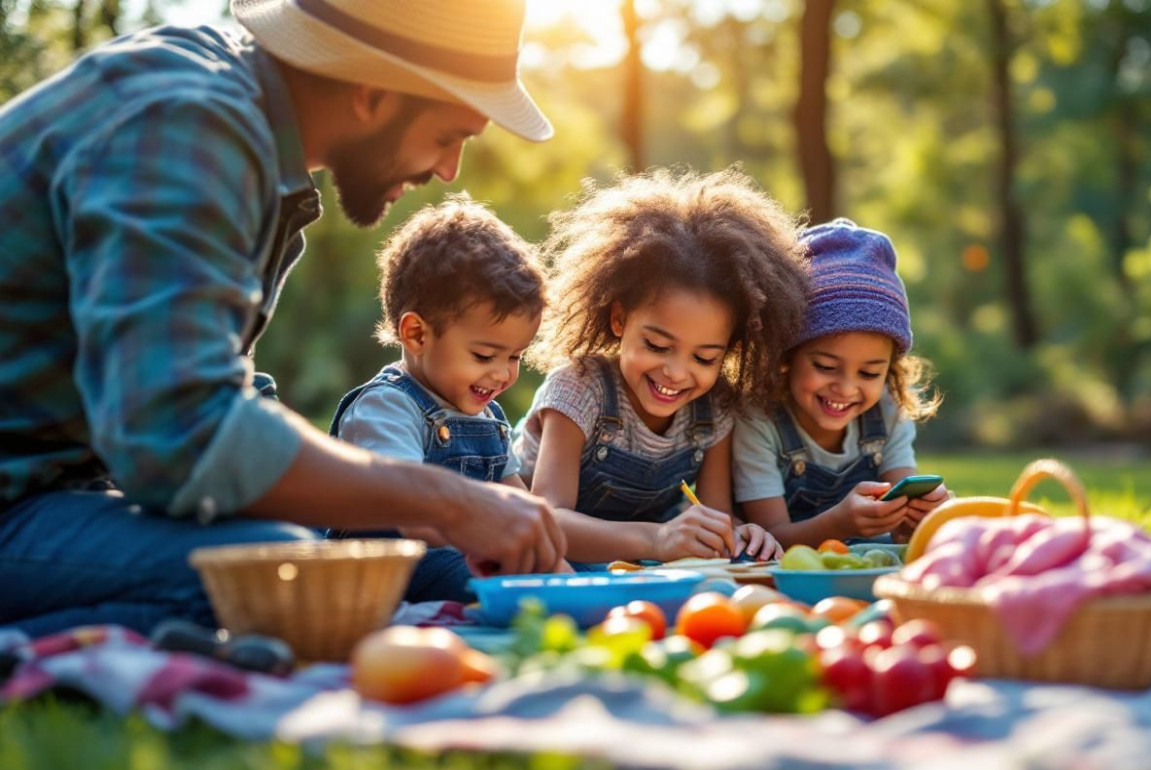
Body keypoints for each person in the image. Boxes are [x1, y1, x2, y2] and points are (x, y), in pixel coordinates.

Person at [0, 0, 567, 638]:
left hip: (55, 489)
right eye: (447, 136)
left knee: (300, 562)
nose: (447, 170)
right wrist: (448, 499)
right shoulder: (186, 129)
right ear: (372, 91)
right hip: (20, 497)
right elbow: (180, 433)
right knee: (277, 577)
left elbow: (212, 405)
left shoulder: (238, 133)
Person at [512, 168, 809, 565]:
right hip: (551, 564)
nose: (676, 372)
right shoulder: (578, 389)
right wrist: (656, 539)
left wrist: (741, 535)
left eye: (705, 358)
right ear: (619, 319)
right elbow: (548, 521)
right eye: (657, 345)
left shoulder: (714, 407)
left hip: (631, 572)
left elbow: (710, 515)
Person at [329, 197, 547, 603]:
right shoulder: (386, 407)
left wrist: (557, 565)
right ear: (416, 335)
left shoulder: (488, 416)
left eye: (515, 357)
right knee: (477, 577)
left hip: (466, 559)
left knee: (558, 567)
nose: (502, 374)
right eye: (484, 356)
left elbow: (524, 510)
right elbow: (410, 512)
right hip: (389, 571)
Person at [731, 218, 954, 548]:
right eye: (825, 366)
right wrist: (836, 523)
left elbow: (905, 499)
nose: (847, 388)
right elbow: (772, 535)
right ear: (787, 355)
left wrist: (923, 514)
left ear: (890, 370)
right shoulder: (758, 421)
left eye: (869, 373)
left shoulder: (888, 411)